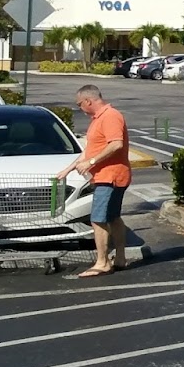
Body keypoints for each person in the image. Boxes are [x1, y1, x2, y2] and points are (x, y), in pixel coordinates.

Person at [67, 84, 132, 278]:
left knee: (98, 219)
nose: (80, 108)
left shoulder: (110, 116)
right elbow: (90, 150)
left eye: (79, 104)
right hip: (107, 176)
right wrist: (68, 169)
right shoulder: (98, 119)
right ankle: (120, 258)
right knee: (113, 217)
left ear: (88, 101)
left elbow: (116, 144)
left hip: (110, 177)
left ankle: (103, 262)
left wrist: (91, 162)